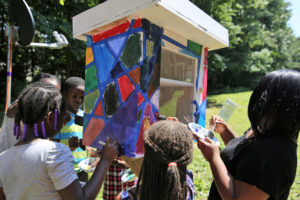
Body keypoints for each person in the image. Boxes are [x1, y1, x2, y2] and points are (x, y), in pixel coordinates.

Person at [0, 82, 118, 200]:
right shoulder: (54, 151)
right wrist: (105, 160)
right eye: (62, 118)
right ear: (51, 118)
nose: (64, 122)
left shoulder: (3, 158)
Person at [196, 69, 300, 200]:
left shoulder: (275, 155)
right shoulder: (265, 127)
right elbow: (243, 154)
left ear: (281, 104)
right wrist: (225, 131)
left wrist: (214, 158)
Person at [121, 120, 195, 200]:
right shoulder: (188, 186)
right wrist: (174, 132)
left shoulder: (132, 196)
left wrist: (106, 160)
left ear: (145, 153)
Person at [0, 72, 61, 153]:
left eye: (56, 92)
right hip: (7, 161)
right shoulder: (20, 105)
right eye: (48, 90)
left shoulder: (47, 113)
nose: (52, 95)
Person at [52, 76, 89, 182]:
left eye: (82, 97)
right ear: (64, 94)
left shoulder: (84, 116)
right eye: (74, 96)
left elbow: (84, 143)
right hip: (64, 168)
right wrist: (68, 147)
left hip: (83, 168)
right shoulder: (59, 118)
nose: (79, 100)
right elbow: (53, 148)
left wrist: (91, 150)